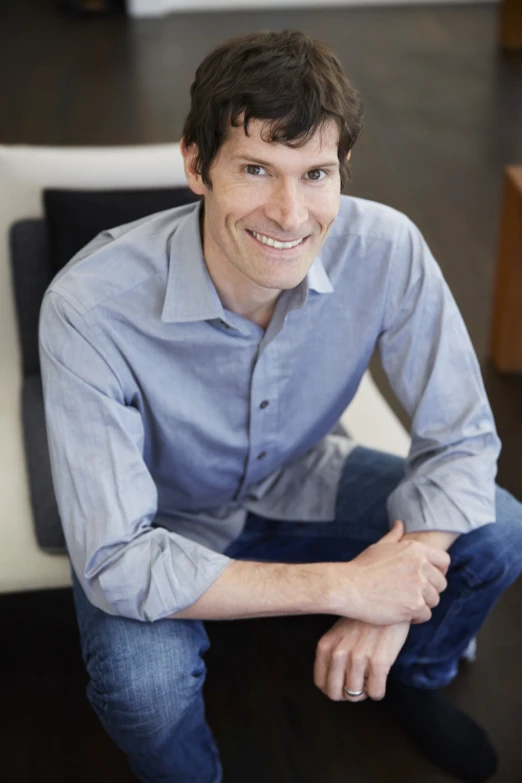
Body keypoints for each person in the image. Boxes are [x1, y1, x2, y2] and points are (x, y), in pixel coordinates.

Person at [39, 30, 522, 783]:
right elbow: (115, 560)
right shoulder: (88, 304)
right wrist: (346, 584)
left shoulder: (387, 247)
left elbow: (461, 437)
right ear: (197, 166)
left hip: (298, 478)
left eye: (316, 172)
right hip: (156, 524)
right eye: (257, 168)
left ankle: (409, 675)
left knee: (501, 528)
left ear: (343, 171)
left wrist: (386, 606)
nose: (291, 213)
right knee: (143, 688)